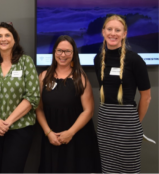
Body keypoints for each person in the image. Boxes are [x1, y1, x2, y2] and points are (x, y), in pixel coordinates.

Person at [0, 22, 40, 174]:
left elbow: (33, 96)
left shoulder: (25, 62)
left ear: (14, 39)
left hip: (19, 128)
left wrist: (7, 122)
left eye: (7, 35)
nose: (3, 39)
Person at [94, 14, 151, 173]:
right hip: (105, 126)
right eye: (109, 29)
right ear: (103, 32)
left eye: (117, 30)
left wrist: (135, 123)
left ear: (124, 34)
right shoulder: (98, 59)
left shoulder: (135, 60)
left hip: (128, 126)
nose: (113, 33)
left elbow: (146, 97)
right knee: (108, 169)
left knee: (129, 169)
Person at [36, 35, 101, 174]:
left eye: (67, 51)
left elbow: (88, 110)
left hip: (77, 138)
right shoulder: (43, 77)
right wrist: (48, 133)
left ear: (73, 54)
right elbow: (38, 109)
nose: (63, 55)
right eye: (59, 51)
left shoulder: (80, 77)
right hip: (52, 138)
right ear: (54, 52)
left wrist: (70, 133)